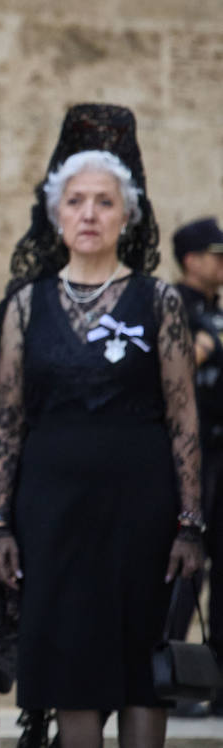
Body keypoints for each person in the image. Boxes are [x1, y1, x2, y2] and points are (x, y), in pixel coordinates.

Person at [0, 105, 203, 748]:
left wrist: (190, 523)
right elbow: (8, 422)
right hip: (52, 508)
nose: (89, 213)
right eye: (75, 200)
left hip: (141, 505)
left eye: (104, 202)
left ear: (125, 215)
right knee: (70, 660)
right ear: (56, 213)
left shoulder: (158, 301)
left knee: (141, 663)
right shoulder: (26, 304)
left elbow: (184, 415)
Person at [164, 216, 223, 713]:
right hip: (192, 457)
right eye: (215, 255)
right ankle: (176, 678)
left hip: (220, 454)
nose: (221, 264)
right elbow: (174, 371)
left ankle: (217, 685)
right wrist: (210, 344)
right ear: (191, 260)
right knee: (187, 564)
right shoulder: (174, 306)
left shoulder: (213, 309)